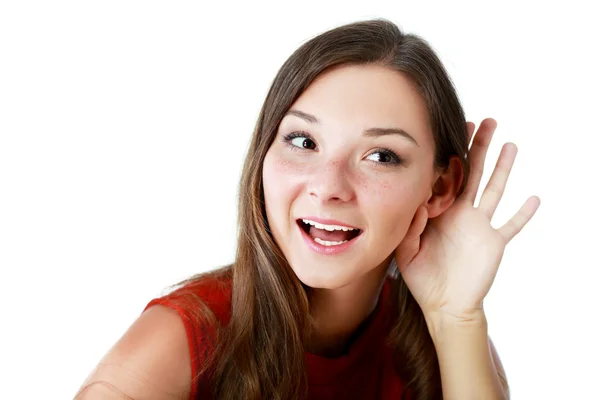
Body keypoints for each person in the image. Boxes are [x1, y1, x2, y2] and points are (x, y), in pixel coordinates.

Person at [75, 18, 540, 400]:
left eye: (381, 156)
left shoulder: (442, 332)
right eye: (303, 141)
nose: (328, 186)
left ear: (439, 188)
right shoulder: (176, 343)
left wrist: (455, 317)